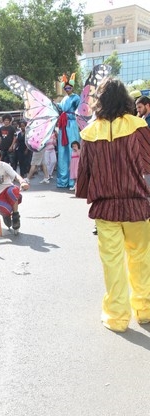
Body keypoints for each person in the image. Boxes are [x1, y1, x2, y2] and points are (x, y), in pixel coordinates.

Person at [76, 78, 150, 332]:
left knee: (112, 263)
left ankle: (117, 317)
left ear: (101, 101)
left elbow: (84, 171)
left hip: (105, 207)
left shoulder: (89, 132)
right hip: (136, 205)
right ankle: (145, 309)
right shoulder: (138, 126)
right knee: (141, 258)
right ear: (126, 100)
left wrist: (86, 193)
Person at [56, 73, 80, 188]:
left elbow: (81, 110)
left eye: (69, 88)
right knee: (62, 152)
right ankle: (63, 180)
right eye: (65, 88)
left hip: (71, 124)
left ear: (72, 87)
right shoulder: (64, 98)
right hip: (63, 125)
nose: (67, 89)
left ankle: (74, 181)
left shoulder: (76, 97)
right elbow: (60, 108)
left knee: (73, 150)